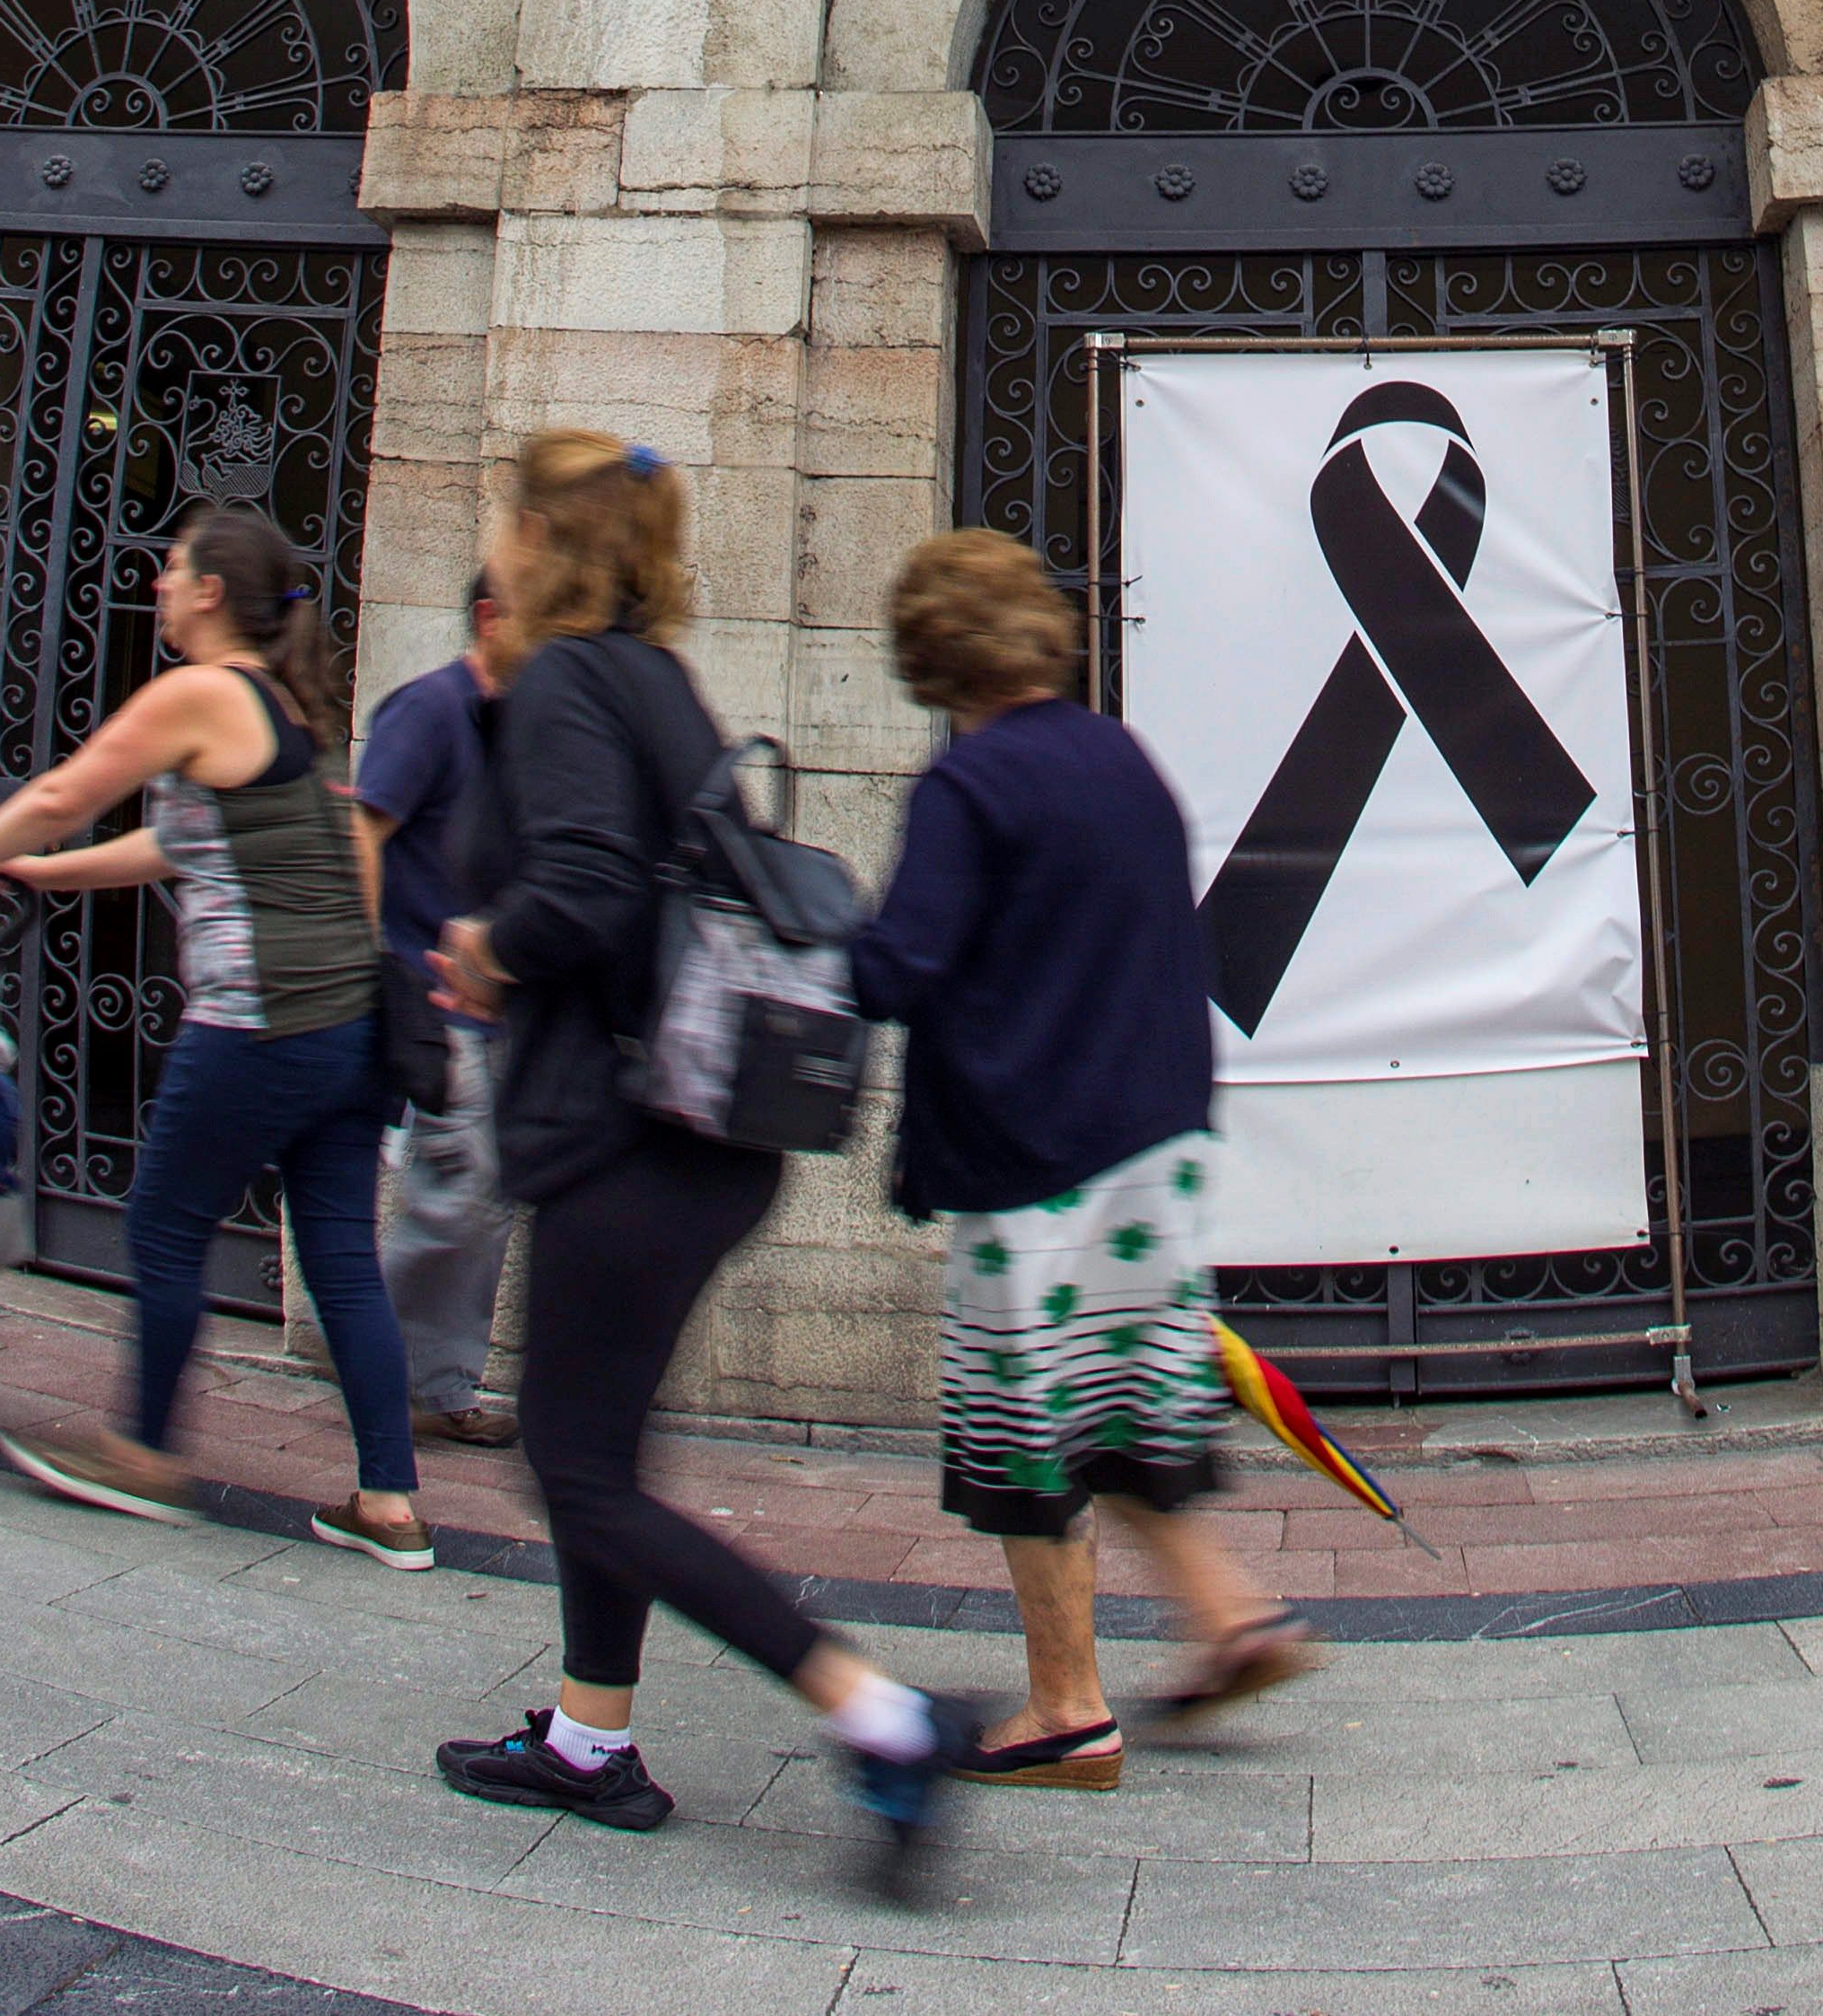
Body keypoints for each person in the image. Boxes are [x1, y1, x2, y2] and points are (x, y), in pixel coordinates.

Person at [427, 427, 979, 1864]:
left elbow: (591, 890)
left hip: (629, 1134)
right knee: (595, 1450)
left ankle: (880, 1713)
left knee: (579, 1466)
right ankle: (589, 1740)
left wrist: (490, 944)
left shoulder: (562, 682)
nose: (492, 547)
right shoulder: (654, 682)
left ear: (543, 540)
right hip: (701, 1130)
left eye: (505, 519)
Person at [852, 527, 1320, 1791]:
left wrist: (806, 940)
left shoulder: (972, 784)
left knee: (1030, 1432)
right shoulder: (1122, 758)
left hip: (1032, 1152)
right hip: (1152, 1134)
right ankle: (1231, 1619)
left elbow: (900, 966)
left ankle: (1065, 1706)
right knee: (1123, 1394)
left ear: (932, 652)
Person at [0, 504, 425, 1565]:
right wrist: (46, 873)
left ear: (213, 592)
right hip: (347, 1028)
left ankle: (144, 1451)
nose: (156, 583)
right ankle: (391, 1504)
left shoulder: (200, 691)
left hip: (261, 1016)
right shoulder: (283, 707)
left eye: (173, 569)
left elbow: (63, 790)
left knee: (162, 1221)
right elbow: (171, 843)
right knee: (341, 1260)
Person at [356, 574, 517, 1448]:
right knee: (457, 1195)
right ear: (490, 618)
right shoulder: (428, 710)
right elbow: (365, 832)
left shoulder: (514, 726)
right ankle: (372, 1355)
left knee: (480, 1202)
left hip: (496, 1010)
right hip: (434, 1005)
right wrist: (381, 968)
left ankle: (444, 1383)